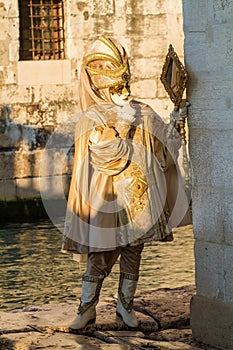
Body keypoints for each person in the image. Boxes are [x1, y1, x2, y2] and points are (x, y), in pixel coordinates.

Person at [62, 36, 190, 330]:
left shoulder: (142, 111)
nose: (124, 92)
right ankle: (86, 310)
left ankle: (125, 306)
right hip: (106, 201)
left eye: (124, 85)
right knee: (100, 256)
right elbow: (107, 158)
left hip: (139, 200)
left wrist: (176, 118)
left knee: (134, 253)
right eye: (116, 88)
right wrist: (115, 128)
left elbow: (166, 146)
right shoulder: (91, 119)